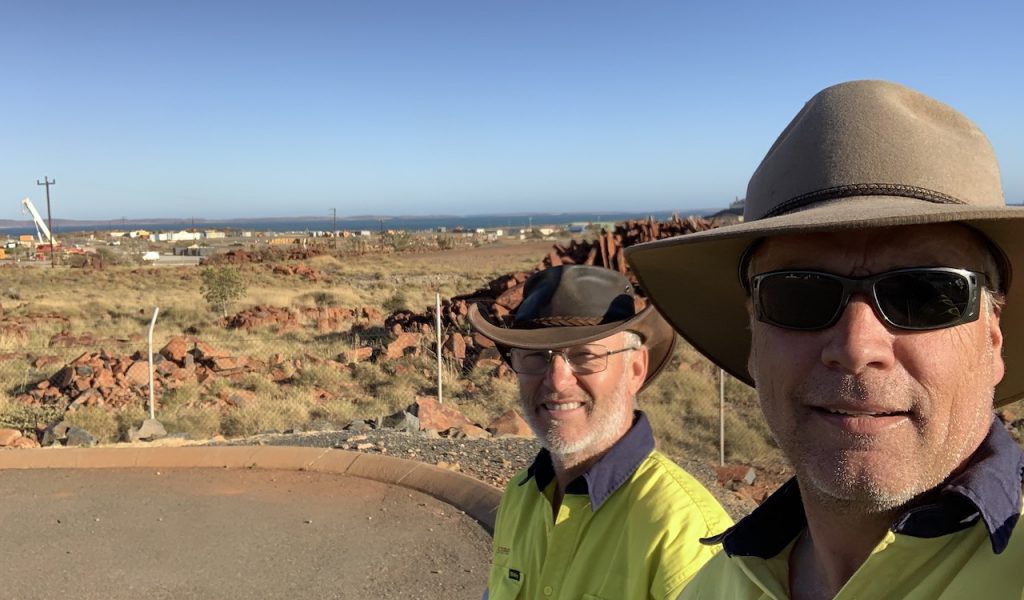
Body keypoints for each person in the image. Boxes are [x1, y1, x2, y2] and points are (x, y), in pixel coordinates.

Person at [626, 80, 1024, 599]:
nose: (857, 347)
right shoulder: (711, 588)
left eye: (924, 294)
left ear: (992, 337)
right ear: (753, 338)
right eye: (797, 296)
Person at [469, 264, 732, 600]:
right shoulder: (520, 497)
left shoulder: (684, 532)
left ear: (635, 370)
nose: (556, 380)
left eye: (585, 356)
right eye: (535, 357)